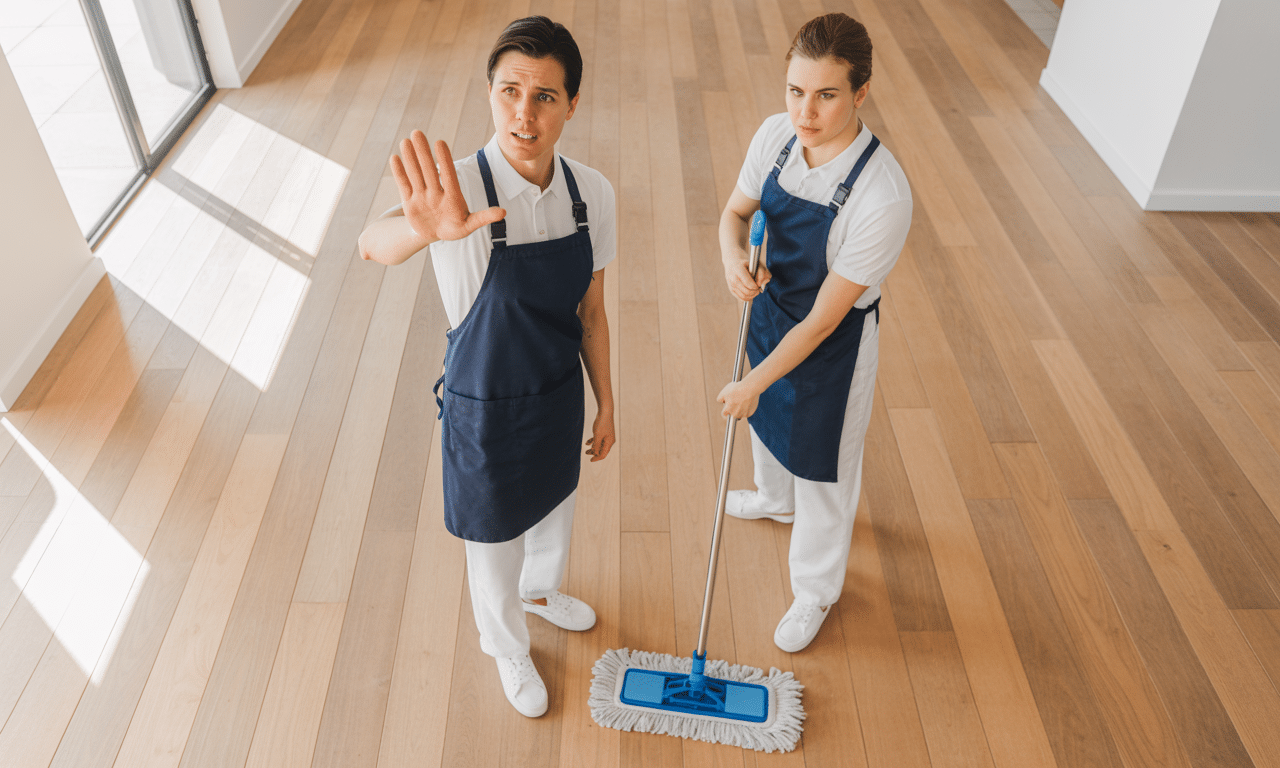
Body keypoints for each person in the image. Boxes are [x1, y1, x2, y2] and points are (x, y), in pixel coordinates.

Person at [358, 16, 616, 718]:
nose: (523, 114)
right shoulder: (456, 186)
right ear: (489, 93)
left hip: (559, 391)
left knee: (556, 511)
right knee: (492, 539)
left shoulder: (591, 192)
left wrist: (607, 403)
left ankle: (542, 591)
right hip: (486, 402)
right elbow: (370, 245)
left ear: (571, 105)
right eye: (510, 92)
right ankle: (504, 641)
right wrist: (425, 229)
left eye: (544, 97)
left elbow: (592, 313)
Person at [716, 13, 912, 653]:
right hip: (771, 311)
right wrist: (731, 260)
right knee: (769, 424)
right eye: (796, 91)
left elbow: (826, 318)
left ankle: (815, 591)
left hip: (836, 344)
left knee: (825, 472)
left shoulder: (881, 195)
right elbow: (736, 213)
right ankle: (775, 500)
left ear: (860, 93)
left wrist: (751, 382)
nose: (806, 112)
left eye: (827, 95)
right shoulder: (776, 136)